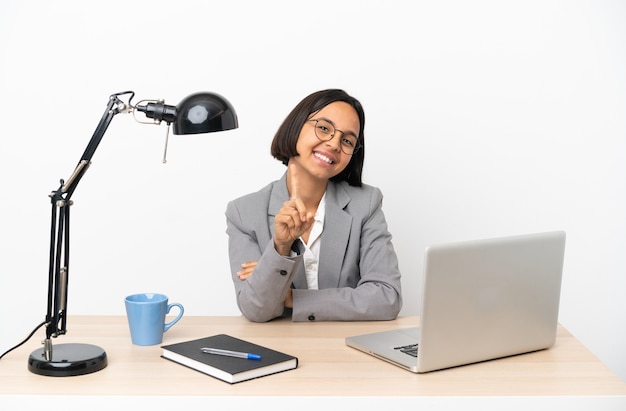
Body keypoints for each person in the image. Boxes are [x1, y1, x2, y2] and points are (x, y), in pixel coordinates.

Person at [225, 89, 402, 322]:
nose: (334, 144)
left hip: (349, 348)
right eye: (324, 128)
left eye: (347, 140)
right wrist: (281, 247)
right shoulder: (244, 213)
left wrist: (292, 297)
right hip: (280, 348)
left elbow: (386, 298)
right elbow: (256, 309)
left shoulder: (366, 204)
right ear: (296, 126)